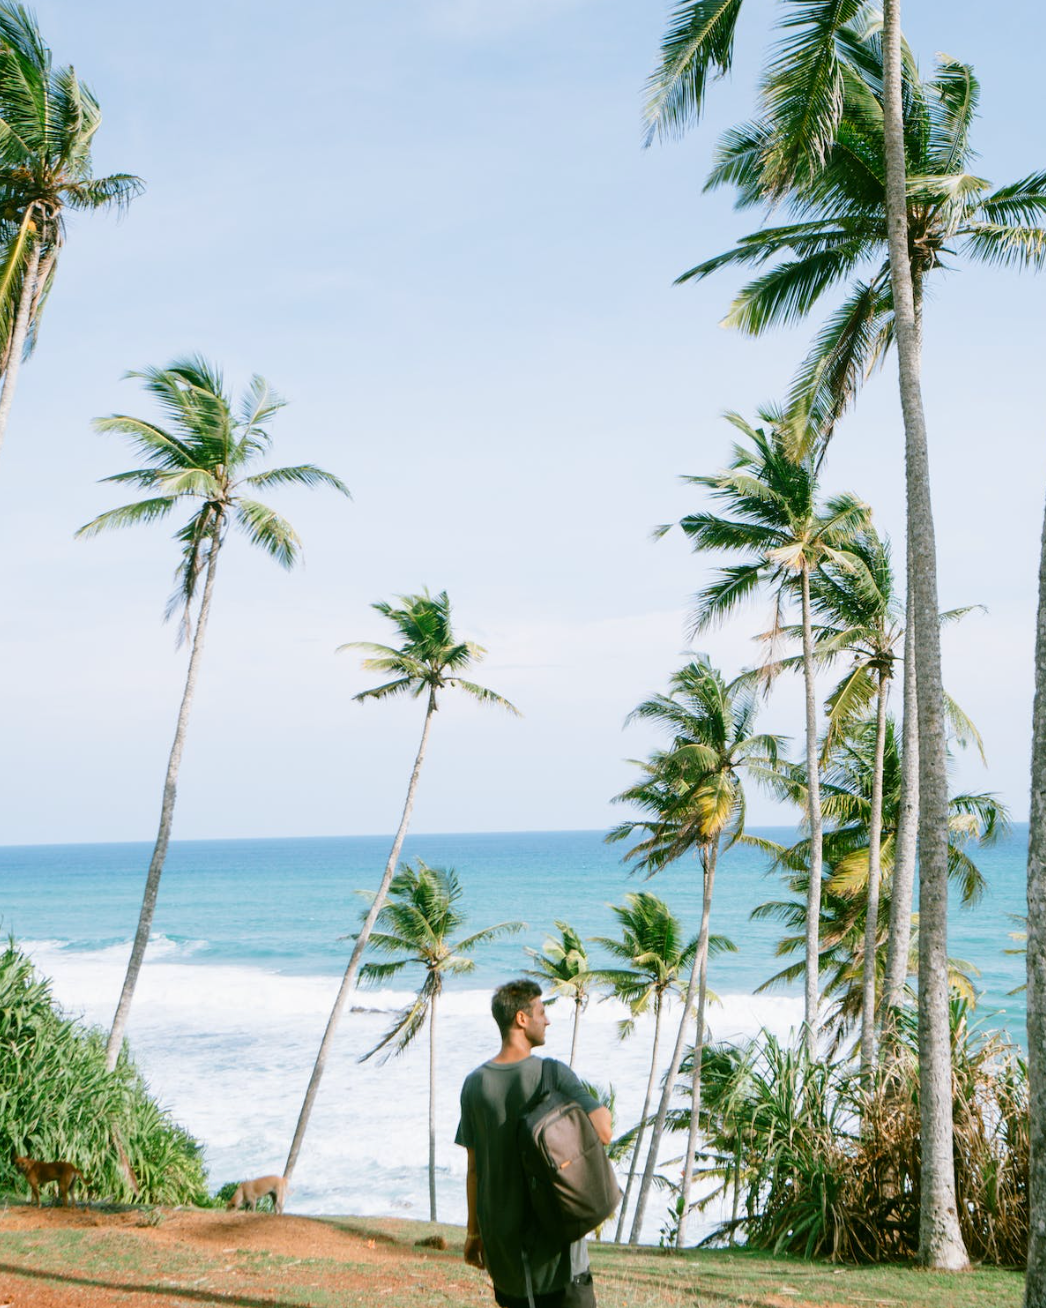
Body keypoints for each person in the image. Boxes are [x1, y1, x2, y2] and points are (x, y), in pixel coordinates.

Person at [456, 978, 613, 1308]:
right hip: (557, 1253)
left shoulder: (474, 1084)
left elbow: (474, 1171)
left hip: (504, 1254)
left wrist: (474, 1234)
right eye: (541, 1012)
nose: (547, 1020)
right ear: (521, 1019)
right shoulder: (552, 1075)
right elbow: (603, 1129)